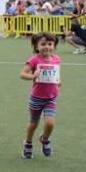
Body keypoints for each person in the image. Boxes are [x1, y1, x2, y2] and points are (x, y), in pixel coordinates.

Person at [19, 31, 61, 159]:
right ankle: (28, 143)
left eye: (50, 44)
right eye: (43, 44)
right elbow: (22, 74)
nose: (47, 47)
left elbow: (56, 73)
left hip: (51, 97)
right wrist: (33, 75)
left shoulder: (56, 59)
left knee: (50, 123)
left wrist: (58, 80)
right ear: (36, 46)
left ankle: (44, 139)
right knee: (33, 123)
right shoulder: (34, 60)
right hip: (36, 98)